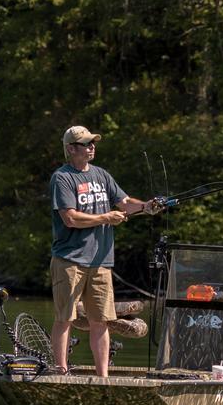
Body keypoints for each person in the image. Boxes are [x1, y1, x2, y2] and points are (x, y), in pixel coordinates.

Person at [49, 126, 160, 376]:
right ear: (70, 149)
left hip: (100, 262)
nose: (92, 147)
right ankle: (61, 371)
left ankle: (103, 377)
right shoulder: (62, 178)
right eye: (86, 143)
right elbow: (70, 219)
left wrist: (146, 206)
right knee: (64, 318)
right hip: (69, 260)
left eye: (92, 142)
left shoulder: (102, 175)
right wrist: (105, 218)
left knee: (101, 321)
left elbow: (125, 203)